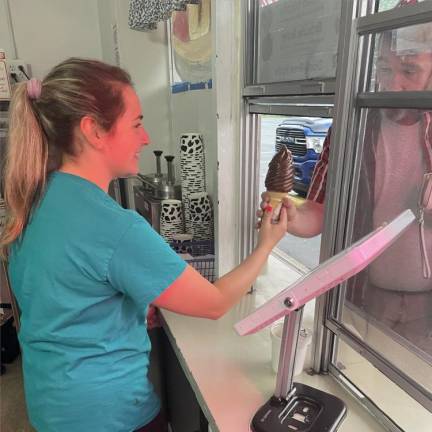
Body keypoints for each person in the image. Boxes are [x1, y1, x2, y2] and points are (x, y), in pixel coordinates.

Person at [0, 58, 289, 432]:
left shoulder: (36, 198)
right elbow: (214, 304)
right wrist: (266, 245)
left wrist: (129, 304)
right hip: (108, 416)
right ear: (94, 131)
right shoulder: (114, 227)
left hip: (52, 405)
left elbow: (65, 291)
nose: (146, 137)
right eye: (136, 123)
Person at [259, 18, 432, 354]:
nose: (392, 85)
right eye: (384, 68)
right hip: (361, 298)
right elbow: (319, 211)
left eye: (409, 71)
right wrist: (290, 216)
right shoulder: (353, 125)